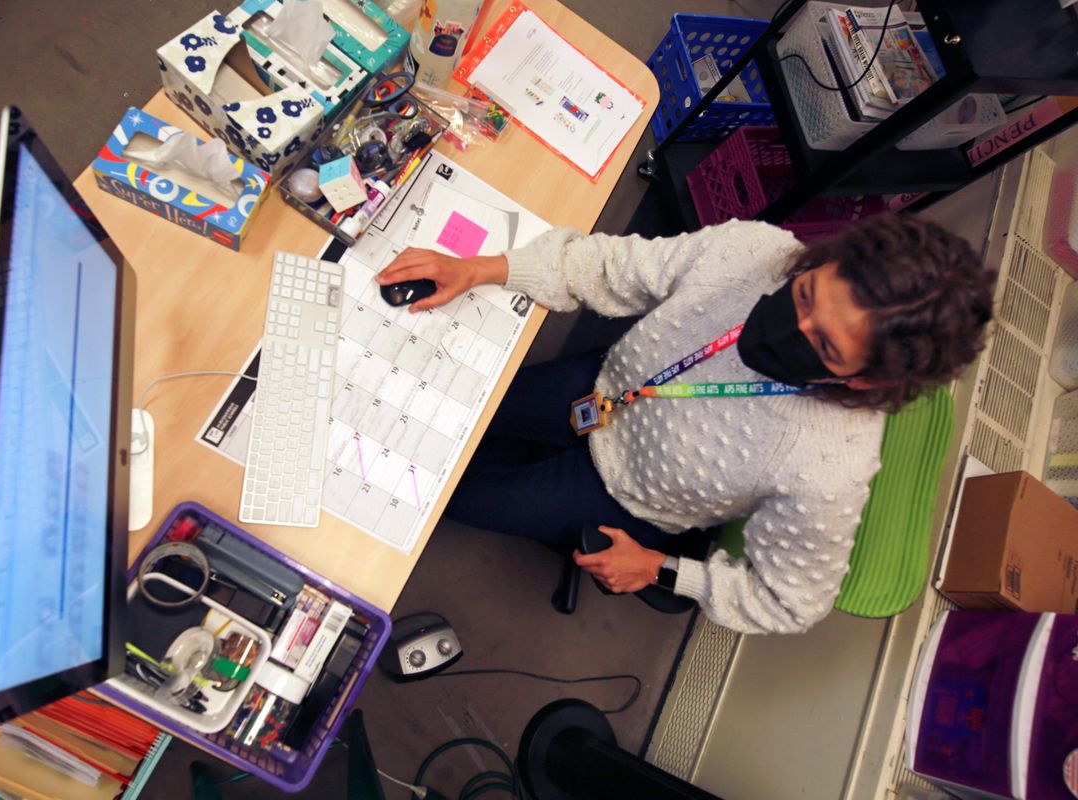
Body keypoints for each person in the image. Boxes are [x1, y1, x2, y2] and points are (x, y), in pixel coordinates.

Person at [375, 215, 994, 634]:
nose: (790, 328)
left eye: (825, 350)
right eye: (803, 296)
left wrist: (663, 570)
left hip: (626, 496)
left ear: (862, 381)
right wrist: (483, 268)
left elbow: (791, 603)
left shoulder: (828, 466)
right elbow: (609, 266)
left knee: (436, 490)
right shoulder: (756, 252)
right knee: (432, 405)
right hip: (606, 390)